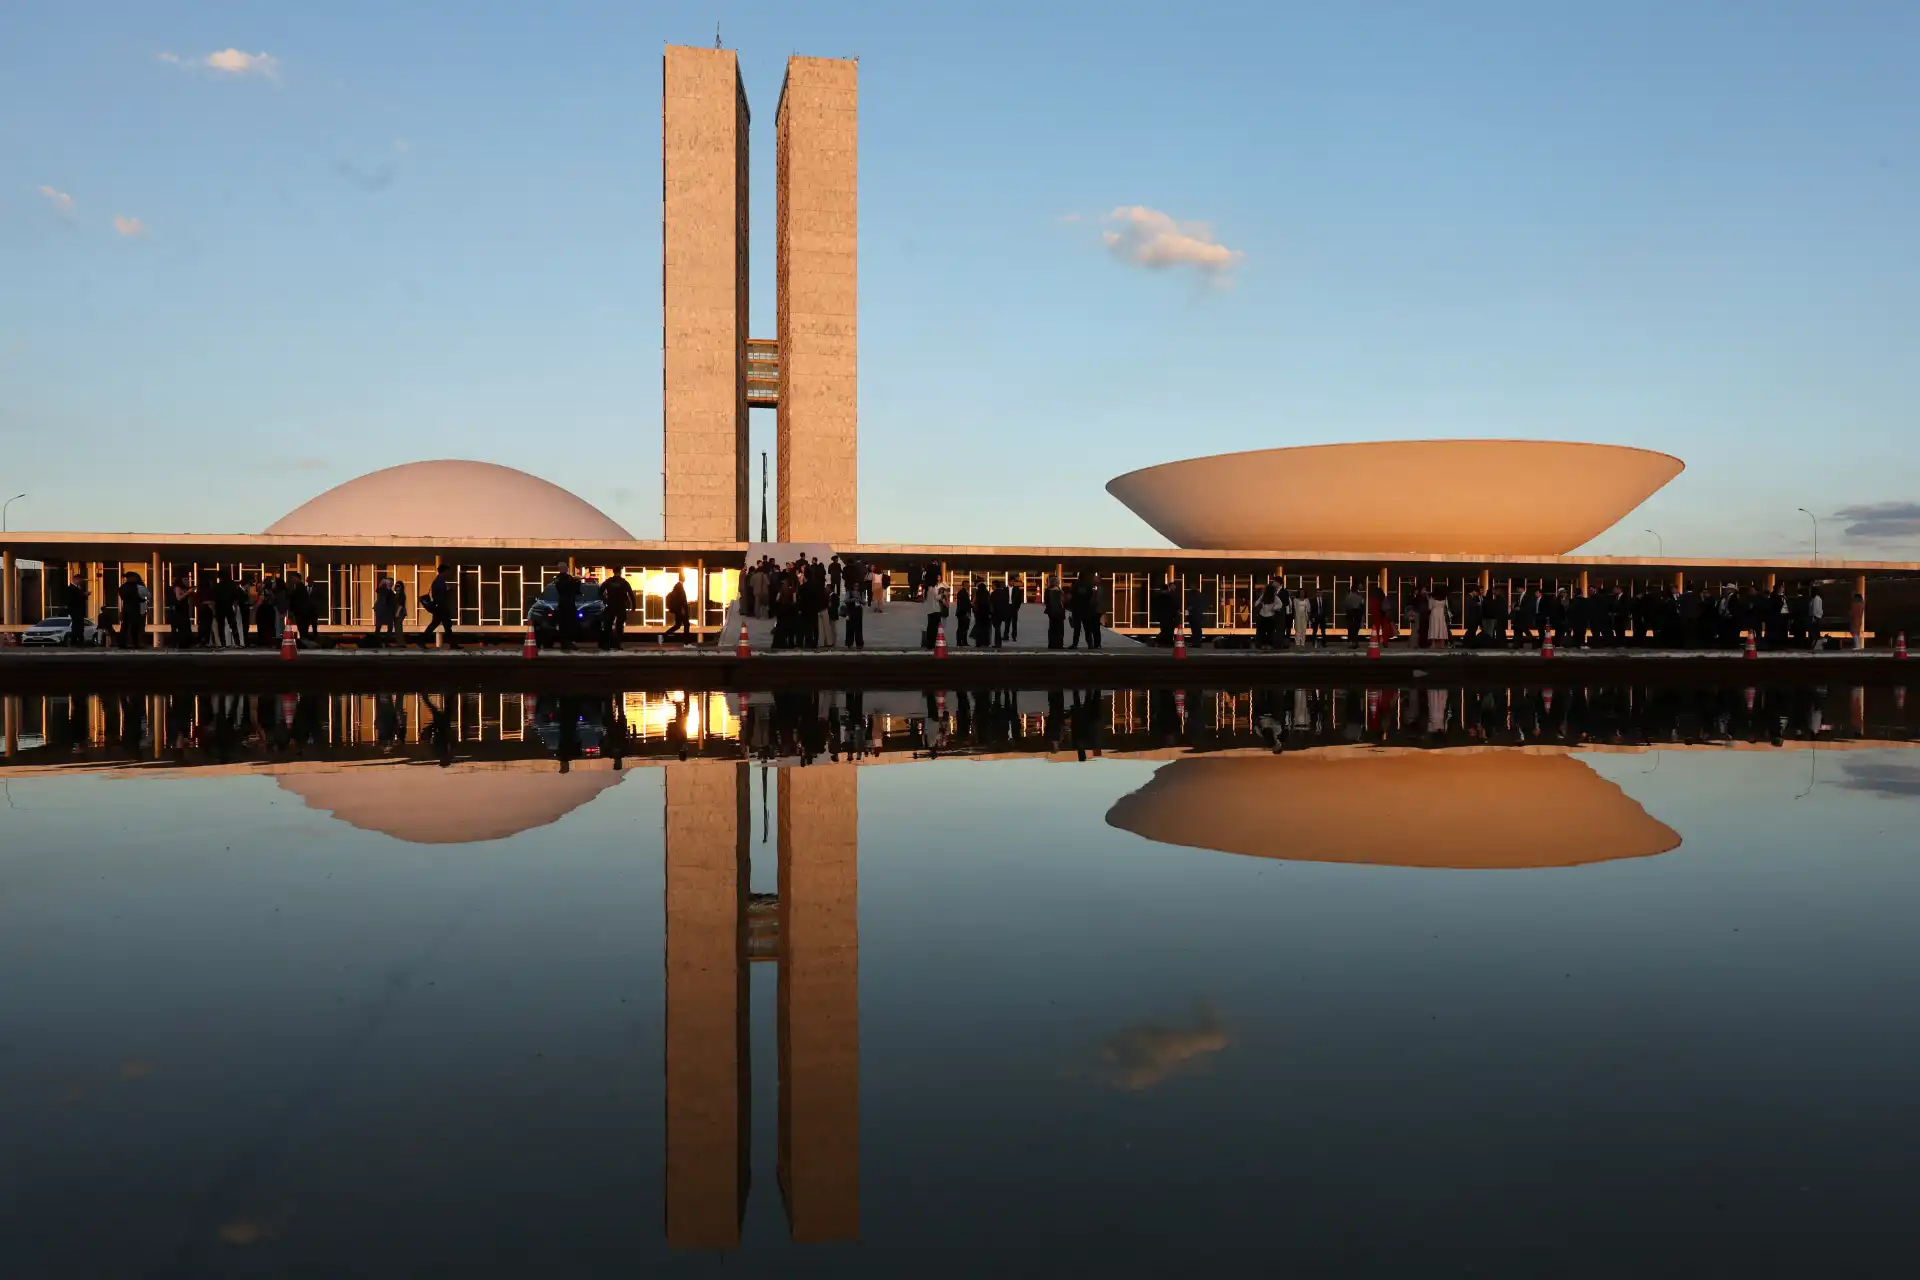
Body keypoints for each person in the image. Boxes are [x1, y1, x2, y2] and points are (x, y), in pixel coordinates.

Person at [419, 564, 458, 647]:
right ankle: (421, 641)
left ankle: (453, 644)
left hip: (440, 607)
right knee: (444, 625)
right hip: (441, 607)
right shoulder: (439, 581)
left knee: (444, 625)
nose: (449, 573)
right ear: (445, 571)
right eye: (448, 571)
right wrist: (448, 592)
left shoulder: (439, 580)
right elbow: (439, 595)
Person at [601, 573, 636, 648]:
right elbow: (631, 594)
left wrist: (605, 600)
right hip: (621, 606)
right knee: (619, 626)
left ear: (613, 572)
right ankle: (617, 644)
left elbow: (600, 591)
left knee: (608, 626)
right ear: (620, 572)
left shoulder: (608, 581)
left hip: (611, 605)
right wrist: (633, 606)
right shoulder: (623, 582)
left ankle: (607, 643)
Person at [550, 567, 580, 650]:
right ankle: (566, 643)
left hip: (565, 605)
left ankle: (565, 643)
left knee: (565, 625)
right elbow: (573, 589)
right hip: (567, 605)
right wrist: (577, 582)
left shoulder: (559, 578)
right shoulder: (565, 579)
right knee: (567, 625)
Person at [117, 571, 147, 649]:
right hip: (130, 608)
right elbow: (125, 596)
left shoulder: (129, 586)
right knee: (129, 626)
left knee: (133, 627)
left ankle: (132, 643)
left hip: (133, 608)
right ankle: (128, 643)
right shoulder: (129, 587)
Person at [664, 576, 693, 643]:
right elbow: (681, 599)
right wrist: (683, 609)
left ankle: (664, 635)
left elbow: (680, 599)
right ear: (682, 578)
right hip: (681, 610)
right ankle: (686, 642)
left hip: (679, 610)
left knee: (677, 625)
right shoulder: (680, 586)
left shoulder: (678, 586)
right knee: (686, 624)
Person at [923, 579, 949, 649]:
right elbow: (937, 597)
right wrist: (942, 594)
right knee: (934, 628)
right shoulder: (933, 588)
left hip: (929, 610)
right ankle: (933, 643)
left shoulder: (925, 589)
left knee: (930, 627)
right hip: (935, 610)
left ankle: (930, 643)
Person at [373, 575, 397, 647]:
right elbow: (378, 590)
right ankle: (377, 642)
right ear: (386, 583)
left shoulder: (391, 591)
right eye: (389, 582)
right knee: (378, 627)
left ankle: (386, 642)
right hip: (381, 611)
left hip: (388, 612)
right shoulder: (383, 589)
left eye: (392, 582)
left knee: (390, 627)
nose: (391, 584)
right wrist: (381, 583)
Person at [1044, 576, 1067, 649]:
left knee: (1052, 628)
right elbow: (1063, 602)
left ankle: (1051, 644)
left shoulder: (1048, 591)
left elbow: (1046, 601)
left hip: (1051, 612)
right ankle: (1059, 644)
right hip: (1059, 612)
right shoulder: (1059, 591)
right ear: (1056, 583)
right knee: (1059, 629)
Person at [843, 576, 865, 648]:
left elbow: (864, 602)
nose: (856, 587)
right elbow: (846, 600)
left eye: (858, 586)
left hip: (858, 610)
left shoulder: (860, 593)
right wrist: (853, 599)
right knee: (850, 627)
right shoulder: (849, 592)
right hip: (851, 610)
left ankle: (859, 643)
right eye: (855, 586)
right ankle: (849, 642)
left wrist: (860, 600)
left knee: (858, 628)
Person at [953, 579, 974, 648]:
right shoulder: (963, 593)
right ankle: (962, 642)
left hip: (962, 613)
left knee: (962, 628)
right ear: (964, 585)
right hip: (963, 613)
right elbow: (965, 604)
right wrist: (972, 605)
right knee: (963, 628)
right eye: (968, 585)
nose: (969, 586)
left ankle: (961, 642)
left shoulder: (962, 592)